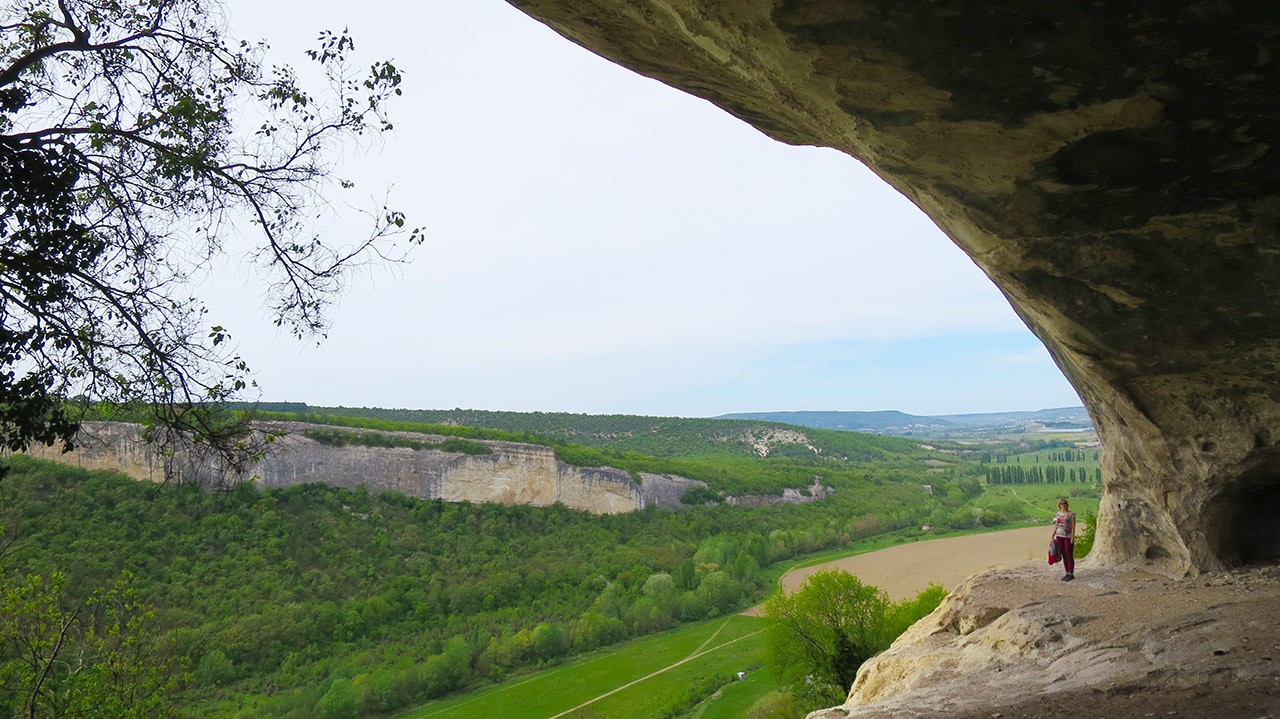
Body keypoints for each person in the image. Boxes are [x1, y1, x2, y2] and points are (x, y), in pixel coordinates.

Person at [1051, 498, 1076, 580]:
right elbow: (1056, 525)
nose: (1063, 505)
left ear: (1067, 504)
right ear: (1059, 505)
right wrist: (1053, 535)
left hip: (1067, 536)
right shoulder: (1058, 514)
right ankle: (1067, 572)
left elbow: (1073, 527)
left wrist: (1072, 537)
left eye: (1064, 503)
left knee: (1069, 554)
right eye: (1061, 503)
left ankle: (1071, 573)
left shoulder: (1071, 514)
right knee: (1064, 554)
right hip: (1059, 536)